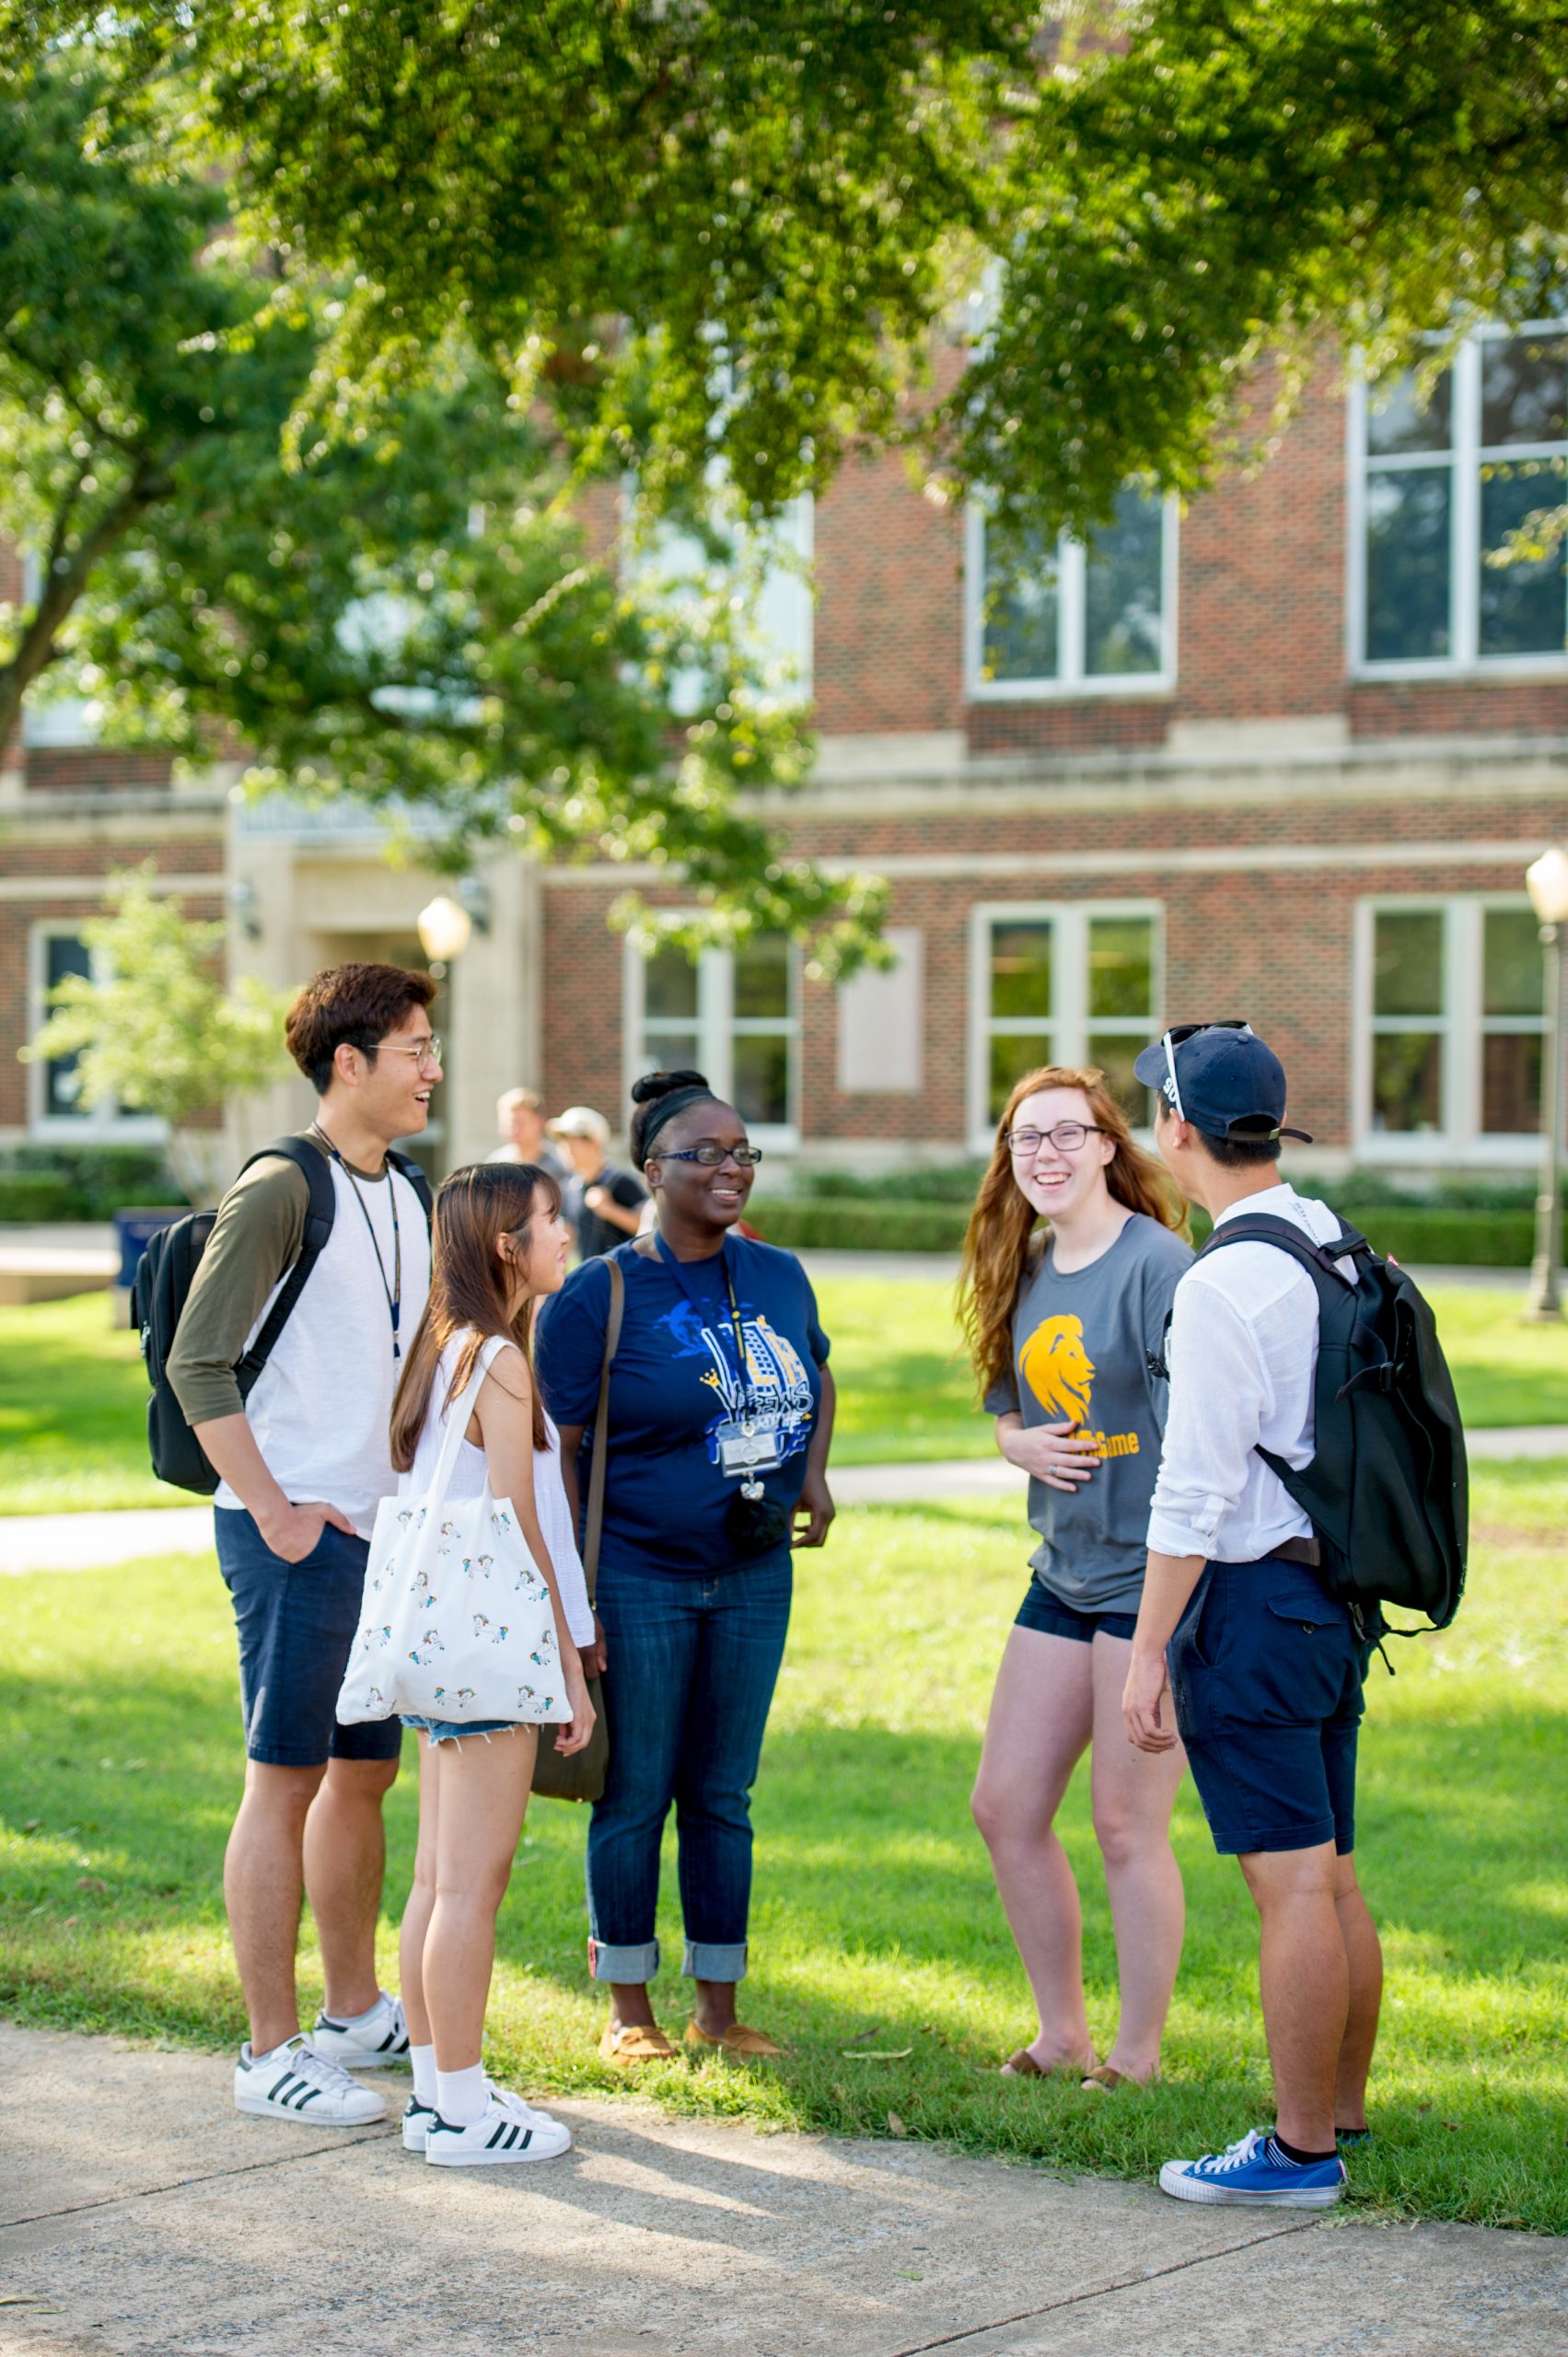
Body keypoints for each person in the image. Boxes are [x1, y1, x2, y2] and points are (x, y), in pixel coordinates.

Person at [167, 964, 440, 2126]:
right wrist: (277, 1510)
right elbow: (198, 1363)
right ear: (350, 1062)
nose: (432, 1067)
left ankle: (352, 2010)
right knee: (282, 1782)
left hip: (380, 1534)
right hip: (296, 1535)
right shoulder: (283, 1186)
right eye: (414, 1048)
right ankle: (268, 2051)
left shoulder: (409, 1186)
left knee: (363, 1774)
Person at [1121, 1021, 1380, 2210]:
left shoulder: (1222, 1280)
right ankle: (1337, 2113)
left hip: (1251, 1605)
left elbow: (1192, 1489)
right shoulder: (1324, 1238)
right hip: (1329, 1595)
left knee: (1287, 1884)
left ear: (1177, 1128)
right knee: (1324, 1873)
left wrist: (1142, 1655)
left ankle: (1294, 2153)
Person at [535, 1068, 835, 2066]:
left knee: (723, 1792)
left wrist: (814, 1477)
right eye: (703, 1152)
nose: (729, 1167)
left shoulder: (779, 1274)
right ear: (650, 1169)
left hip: (753, 1574)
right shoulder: (599, 1294)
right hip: (639, 1576)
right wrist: (573, 1597)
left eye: (742, 1150)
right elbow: (558, 1448)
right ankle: (629, 2009)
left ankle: (719, 2007)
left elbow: (817, 1367)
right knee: (637, 1790)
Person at [958, 1065, 1193, 2092]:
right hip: (1061, 1571)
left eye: (1065, 1134)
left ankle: (1134, 2056)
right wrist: (1016, 1446)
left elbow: (1204, 1436)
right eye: (1024, 1139)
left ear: (1107, 1143)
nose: (1044, 1154)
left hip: (1151, 1580)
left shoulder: (1157, 1265)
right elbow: (1008, 1407)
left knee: (1122, 1823)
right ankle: (1060, 2034)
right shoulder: (1027, 1261)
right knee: (1005, 1807)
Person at [386, 1162, 597, 2166]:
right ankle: (464, 2111)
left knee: (436, 1878)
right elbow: (520, 1521)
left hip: (438, 1643)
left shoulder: (446, 1347)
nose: (567, 1234)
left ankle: (438, 2093)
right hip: (491, 1644)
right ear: (507, 1244)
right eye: (552, 1221)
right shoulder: (500, 1361)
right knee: (473, 1883)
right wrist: (566, 1652)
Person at [548, 1104, 647, 1259]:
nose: (565, 1148)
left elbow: (648, 1228)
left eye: (572, 1141)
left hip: (624, 1277)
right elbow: (567, 1237)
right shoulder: (569, 1188)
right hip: (589, 1278)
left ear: (594, 1142)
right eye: (562, 1141)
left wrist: (610, 1210)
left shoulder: (623, 1182)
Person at [489, 1086, 567, 1180]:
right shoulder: (495, 1163)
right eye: (508, 1122)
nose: (514, 1129)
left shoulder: (562, 1162)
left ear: (540, 1122)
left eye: (521, 1122)